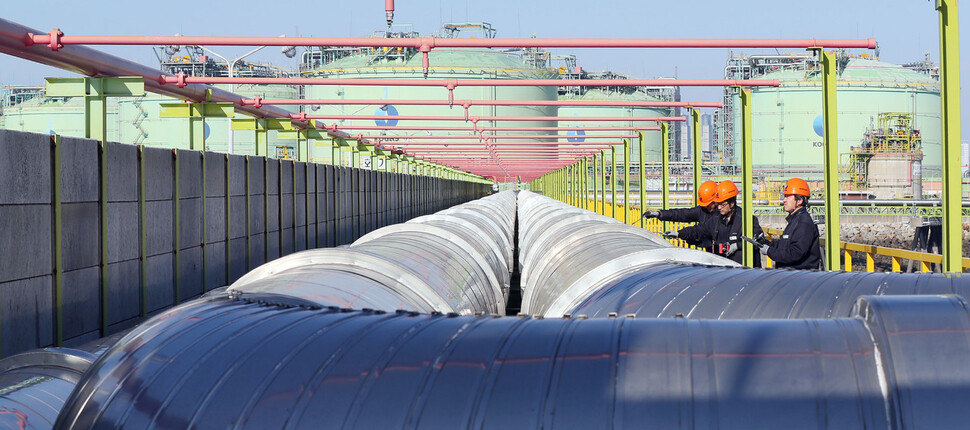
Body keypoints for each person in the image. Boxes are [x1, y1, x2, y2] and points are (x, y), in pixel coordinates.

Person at [664, 180, 763, 267]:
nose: (719, 207)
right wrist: (679, 233)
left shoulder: (746, 220)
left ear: (732, 203)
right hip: (724, 269)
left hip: (745, 271)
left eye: (722, 204)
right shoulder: (717, 219)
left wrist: (738, 245)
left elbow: (759, 241)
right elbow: (699, 230)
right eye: (718, 204)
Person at [752, 178, 821, 270]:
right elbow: (785, 245)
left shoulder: (803, 224)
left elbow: (794, 253)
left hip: (800, 278)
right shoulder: (794, 221)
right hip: (791, 275)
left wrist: (769, 251)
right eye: (785, 196)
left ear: (799, 201)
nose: (784, 200)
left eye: (788, 196)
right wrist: (765, 243)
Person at [641, 180, 718, 250]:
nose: (706, 206)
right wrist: (659, 214)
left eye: (708, 204)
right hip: (711, 250)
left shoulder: (720, 215)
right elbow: (682, 214)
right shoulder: (703, 210)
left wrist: (679, 233)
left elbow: (699, 230)